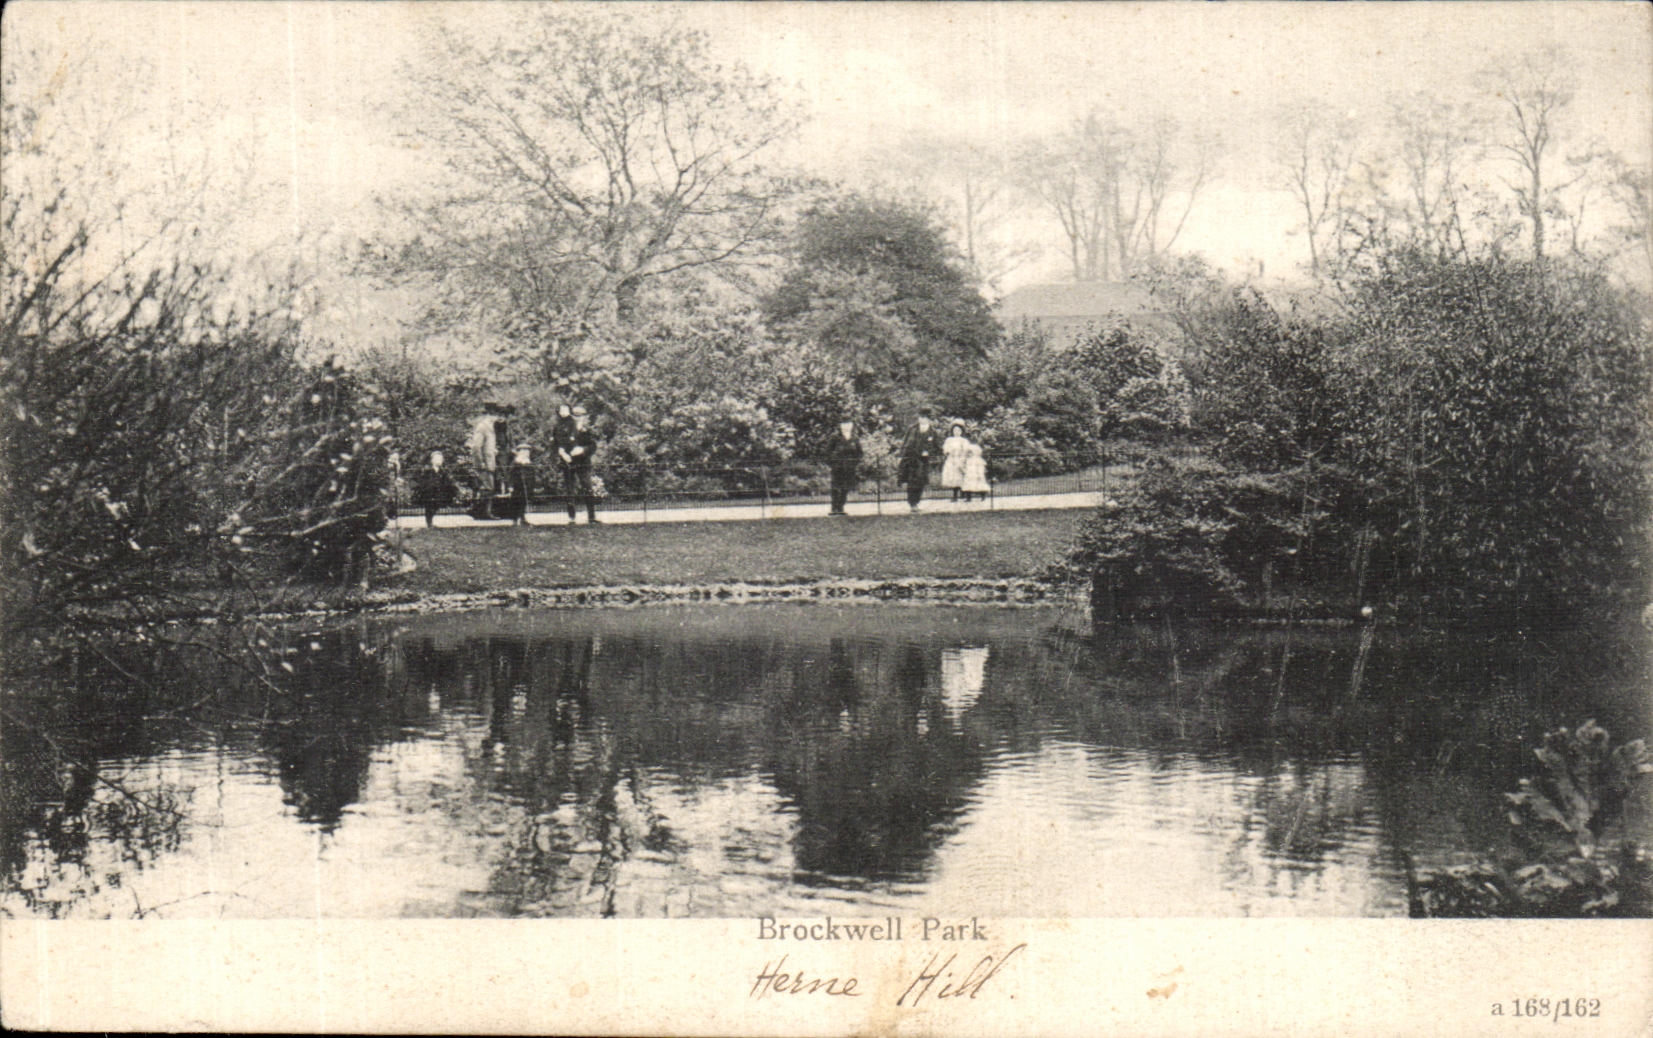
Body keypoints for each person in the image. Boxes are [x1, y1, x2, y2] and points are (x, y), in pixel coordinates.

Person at [554, 405, 601, 525]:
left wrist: (583, 450)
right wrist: (564, 454)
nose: (579, 418)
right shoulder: (564, 428)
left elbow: (593, 446)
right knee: (570, 489)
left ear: (585, 417)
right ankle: (571, 517)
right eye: (576, 416)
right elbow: (558, 444)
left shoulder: (587, 430)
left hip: (583, 463)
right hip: (569, 462)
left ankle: (591, 517)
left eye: (581, 416)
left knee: (587, 487)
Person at [896, 415, 942, 512]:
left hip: (923, 461)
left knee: (920, 482)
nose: (922, 419)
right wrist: (901, 456)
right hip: (910, 459)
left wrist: (929, 453)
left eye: (924, 417)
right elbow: (905, 443)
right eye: (920, 417)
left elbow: (937, 447)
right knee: (911, 482)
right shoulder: (912, 429)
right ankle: (912, 504)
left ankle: (916, 502)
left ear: (928, 419)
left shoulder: (932, 432)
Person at [467, 403, 502, 518]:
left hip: (490, 462)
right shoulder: (482, 427)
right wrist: (480, 462)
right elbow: (476, 446)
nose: (498, 418)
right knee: (487, 488)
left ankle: (483, 512)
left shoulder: (492, 427)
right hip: (484, 464)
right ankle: (481, 512)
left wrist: (494, 451)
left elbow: (487, 445)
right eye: (497, 415)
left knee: (489, 488)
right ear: (491, 415)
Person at [825, 419, 862, 516]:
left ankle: (841, 506)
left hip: (849, 468)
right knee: (836, 487)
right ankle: (834, 508)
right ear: (840, 426)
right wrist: (832, 464)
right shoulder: (835, 437)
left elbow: (859, 453)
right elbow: (827, 452)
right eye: (844, 424)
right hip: (838, 467)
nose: (847, 426)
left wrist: (855, 463)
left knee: (846, 487)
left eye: (849, 424)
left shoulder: (854, 438)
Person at [412, 449, 457, 528]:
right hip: (429, 493)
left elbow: (447, 481)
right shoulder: (427, 471)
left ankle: (430, 521)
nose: (439, 461)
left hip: (439, 492)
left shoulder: (443, 472)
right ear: (432, 461)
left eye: (440, 459)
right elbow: (422, 481)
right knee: (429, 507)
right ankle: (429, 523)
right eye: (437, 459)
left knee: (436, 506)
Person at [504, 443, 534, 525]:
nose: (526, 453)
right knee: (515, 502)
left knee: (523, 502)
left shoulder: (528, 462)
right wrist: (510, 485)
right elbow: (510, 474)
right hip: (517, 486)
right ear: (519, 452)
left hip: (525, 486)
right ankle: (514, 519)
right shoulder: (516, 462)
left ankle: (522, 518)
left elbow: (531, 475)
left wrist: (531, 484)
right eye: (524, 451)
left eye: (527, 451)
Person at [940, 421, 970, 501]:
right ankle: (955, 495)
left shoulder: (963, 440)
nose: (956, 432)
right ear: (952, 431)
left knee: (961, 477)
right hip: (951, 460)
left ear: (961, 431)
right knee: (953, 478)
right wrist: (948, 451)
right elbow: (945, 449)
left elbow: (966, 450)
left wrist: (962, 459)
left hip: (960, 459)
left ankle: (965, 494)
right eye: (955, 430)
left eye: (958, 430)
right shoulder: (949, 440)